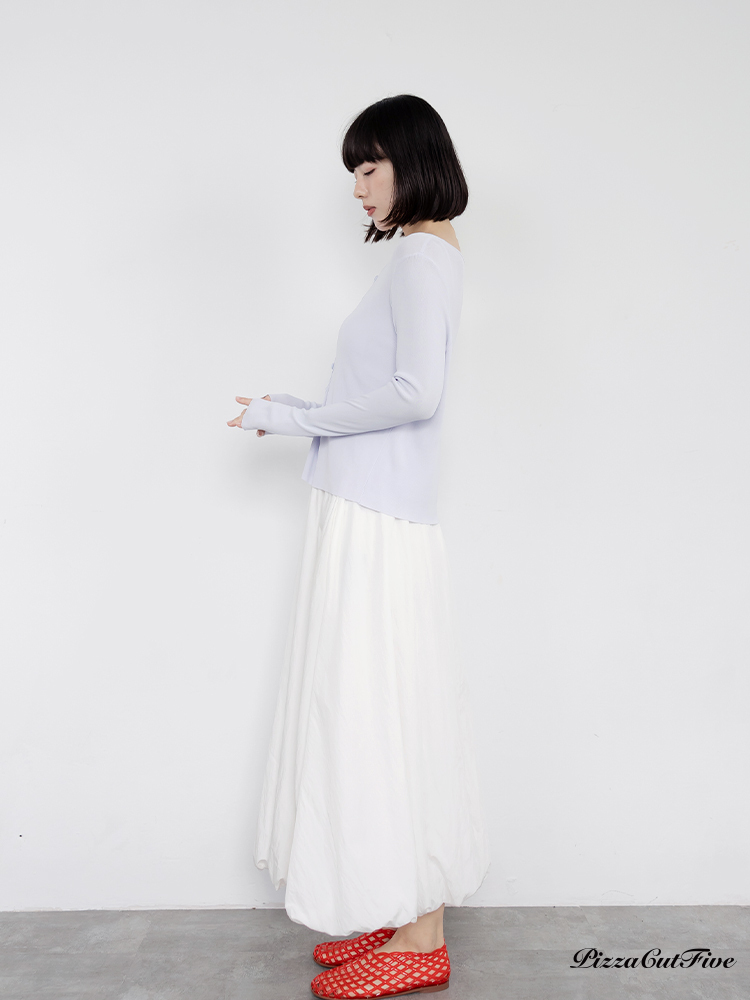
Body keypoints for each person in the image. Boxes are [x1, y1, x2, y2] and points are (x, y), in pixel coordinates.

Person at [227, 94, 491, 999]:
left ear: (413, 161)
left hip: (378, 517)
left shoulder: (421, 256)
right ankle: (403, 905)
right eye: (355, 169)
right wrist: (294, 412)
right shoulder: (423, 254)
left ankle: (422, 936)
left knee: (382, 705)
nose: (357, 187)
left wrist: (295, 419)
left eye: (369, 166)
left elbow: (417, 393)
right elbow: (382, 391)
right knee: (379, 703)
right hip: (370, 507)